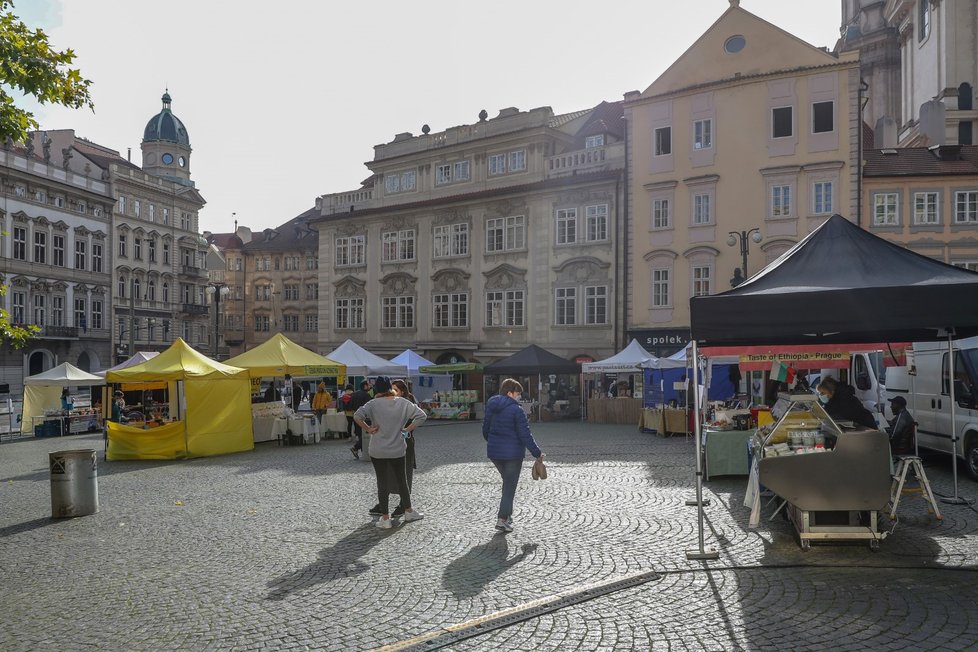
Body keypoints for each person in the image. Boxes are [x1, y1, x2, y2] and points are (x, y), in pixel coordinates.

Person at [353, 376, 427, 528]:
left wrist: (368, 429)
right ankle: (408, 511)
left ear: (377, 390)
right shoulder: (402, 402)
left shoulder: (372, 404)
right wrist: (406, 429)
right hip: (397, 449)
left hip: (377, 449)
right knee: (402, 481)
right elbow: (422, 416)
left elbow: (357, 416)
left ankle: (385, 519)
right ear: (390, 388)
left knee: (382, 482)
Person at [482, 378, 544, 533]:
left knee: (507, 483)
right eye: (518, 393)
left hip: (495, 453)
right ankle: (502, 519)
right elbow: (525, 435)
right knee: (510, 486)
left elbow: (485, 429)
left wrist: (493, 443)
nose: (519, 397)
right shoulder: (517, 410)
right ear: (510, 393)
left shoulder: (491, 406)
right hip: (513, 455)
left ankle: (507, 516)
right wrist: (537, 453)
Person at [348, 381, 372, 459]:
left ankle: (360, 450)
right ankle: (357, 448)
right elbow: (370, 408)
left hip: (356, 416)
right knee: (365, 435)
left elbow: (350, 406)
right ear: (365, 386)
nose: (370, 386)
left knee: (360, 434)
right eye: (368, 385)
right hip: (365, 418)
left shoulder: (353, 394)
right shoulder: (367, 395)